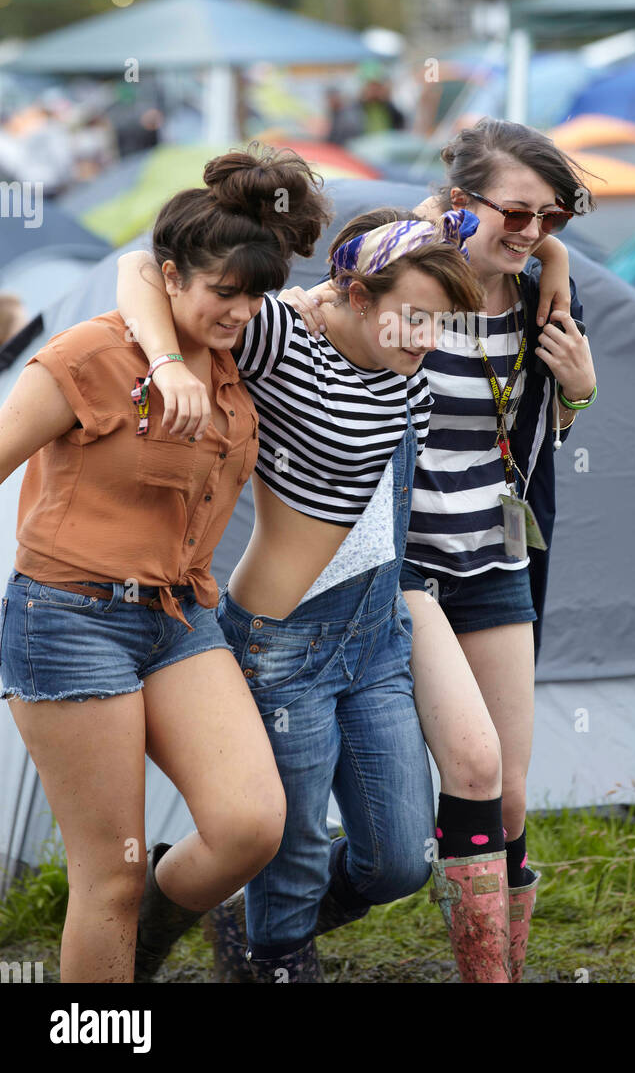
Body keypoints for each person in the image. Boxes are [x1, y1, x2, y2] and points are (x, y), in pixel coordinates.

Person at [116, 204, 485, 983]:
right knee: (291, 851)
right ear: (357, 296)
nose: (426, 337)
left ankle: (245, 919)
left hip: (378, 635)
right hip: (284, 645)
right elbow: (142, 270)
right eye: (413, 318)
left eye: (440, 323)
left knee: (398, 861)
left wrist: (541, 263)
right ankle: (268, 951)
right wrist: (167, 365)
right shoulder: (285, 344)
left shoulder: (403, 371)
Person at [0, 147, 329, 983]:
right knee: (107, 870)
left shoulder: (236, 364)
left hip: (181, 618)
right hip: (70, 618)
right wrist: (162, 362)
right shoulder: (89, 356)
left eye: (254, 296)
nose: (240, 312)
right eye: (224, 292)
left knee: (253, 825)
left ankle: (143, 935)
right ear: (175, 278)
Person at [285, 118, 597, 981]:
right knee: (472, 761)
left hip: (494, 554)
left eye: (555, 220)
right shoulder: (411, 278)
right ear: (459, 205)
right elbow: (336, 323)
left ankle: (294, 917)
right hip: (403, 560)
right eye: (517, 214)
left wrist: (582, 390)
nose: (534, 236)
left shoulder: (546, 300)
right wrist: (450, 224)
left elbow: (537, 438)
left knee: (511, 796)